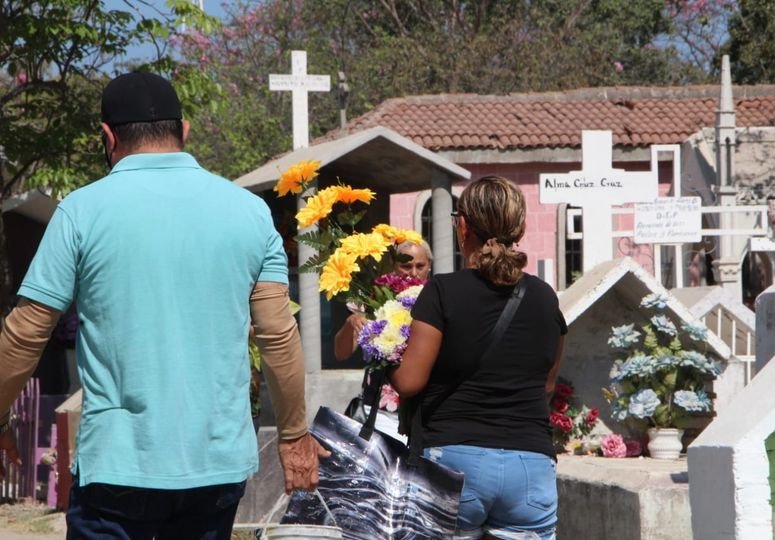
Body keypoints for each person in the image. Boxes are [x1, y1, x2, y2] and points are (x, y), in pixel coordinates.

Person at [0, 72, 327, 539]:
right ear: (184, 131)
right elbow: (277, 333)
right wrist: (293, 436)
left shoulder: (80, 211)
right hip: (214, 465)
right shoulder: (250, 212)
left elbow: (25, 333)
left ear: (107, 136)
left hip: (118, 465)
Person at [390, 175, 566, 540]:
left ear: (463, 225)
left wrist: (382, 352)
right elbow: (547, 384)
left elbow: (408, 382)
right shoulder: (545, 297)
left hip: (455, 461)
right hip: (530, 465)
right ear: (520, 229)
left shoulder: (442, 291)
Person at [334, 240, 432, 441]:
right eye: (406, 266)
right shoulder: (375, 299)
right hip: (380, 411)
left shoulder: (437, 299)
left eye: (420, 266)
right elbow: (341, 353)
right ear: (394, 265)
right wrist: (351, 323)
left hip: (425, 411)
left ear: (429, 266)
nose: (413, 273)